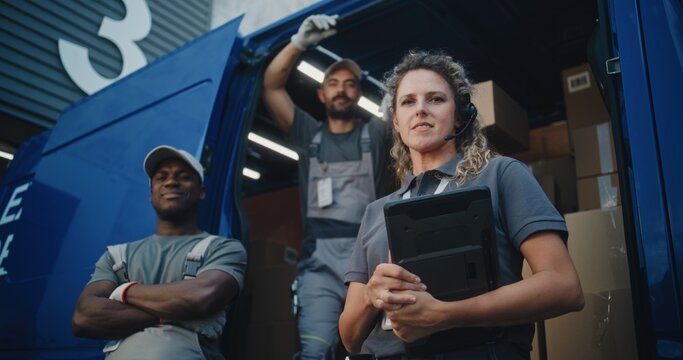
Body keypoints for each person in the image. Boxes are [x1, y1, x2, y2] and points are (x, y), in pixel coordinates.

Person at [339, 50, 585, 359]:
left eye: (436, 99)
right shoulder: (376, 211)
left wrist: (445, 314)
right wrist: (371, 295)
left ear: (459, 115)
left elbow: (565, 288)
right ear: (397, 123)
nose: (421, 110)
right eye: (408, 101)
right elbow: (350, 339)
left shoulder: (501, 175)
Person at [262, 14, 392, 360]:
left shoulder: (376, 135)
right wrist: (298, 43)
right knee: (315, 352)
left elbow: (406, 104)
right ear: (322, 94)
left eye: (350, 83)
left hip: (367, 262)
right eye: (333, 82)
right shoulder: (308, 135)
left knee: (371, 352)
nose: (342, 89)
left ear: (358, 93)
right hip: (318, 264)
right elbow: (272, 85)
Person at [72, 145, 247, 360]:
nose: (171, 181)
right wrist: (179, 313)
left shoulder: (224, 248)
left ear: (201, 191)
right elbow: (84, 317)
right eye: (161, 177)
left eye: (183, 177)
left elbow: (200, 297)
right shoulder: (117, 255)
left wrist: (123, 291)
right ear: (151, 194)